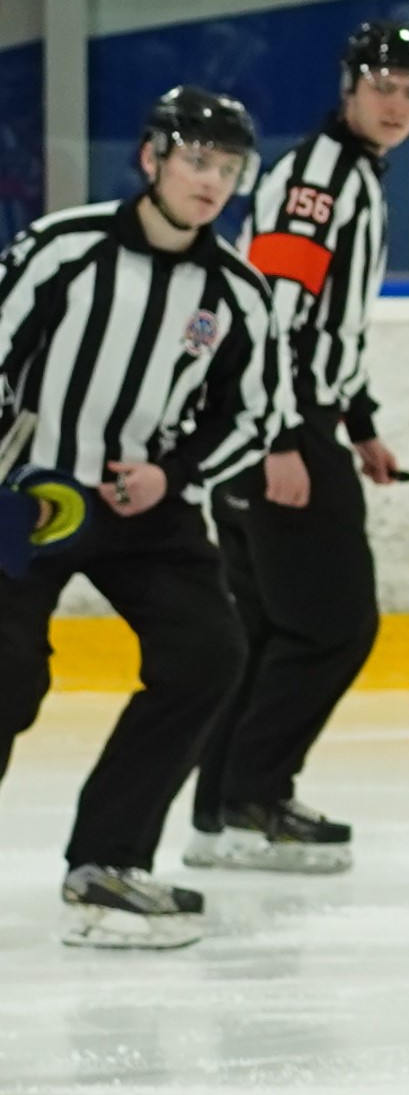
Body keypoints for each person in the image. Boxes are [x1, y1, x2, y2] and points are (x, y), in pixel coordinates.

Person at [0, 88, 275, 944]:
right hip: (22, 496)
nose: (211, 180)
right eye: (197, 159)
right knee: (6, 677)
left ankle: (107, 863)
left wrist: (172, 475)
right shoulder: (61, 249)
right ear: (152, 158)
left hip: (142, 507)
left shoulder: (237, 292)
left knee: (207, 654)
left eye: (228, 168)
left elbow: (252, 417)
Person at [192, 19, 409, 873]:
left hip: (280, 424)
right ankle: (256, 799)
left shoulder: (356, 174)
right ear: (348, 86)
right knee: (334, 625)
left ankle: (220, 810)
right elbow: (274, 319)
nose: (398, 105)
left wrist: (358, 422)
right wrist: (285, 438)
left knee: (263, 631)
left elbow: (332, 328)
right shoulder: (319, 182)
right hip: (274, 430)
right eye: (383, 87)